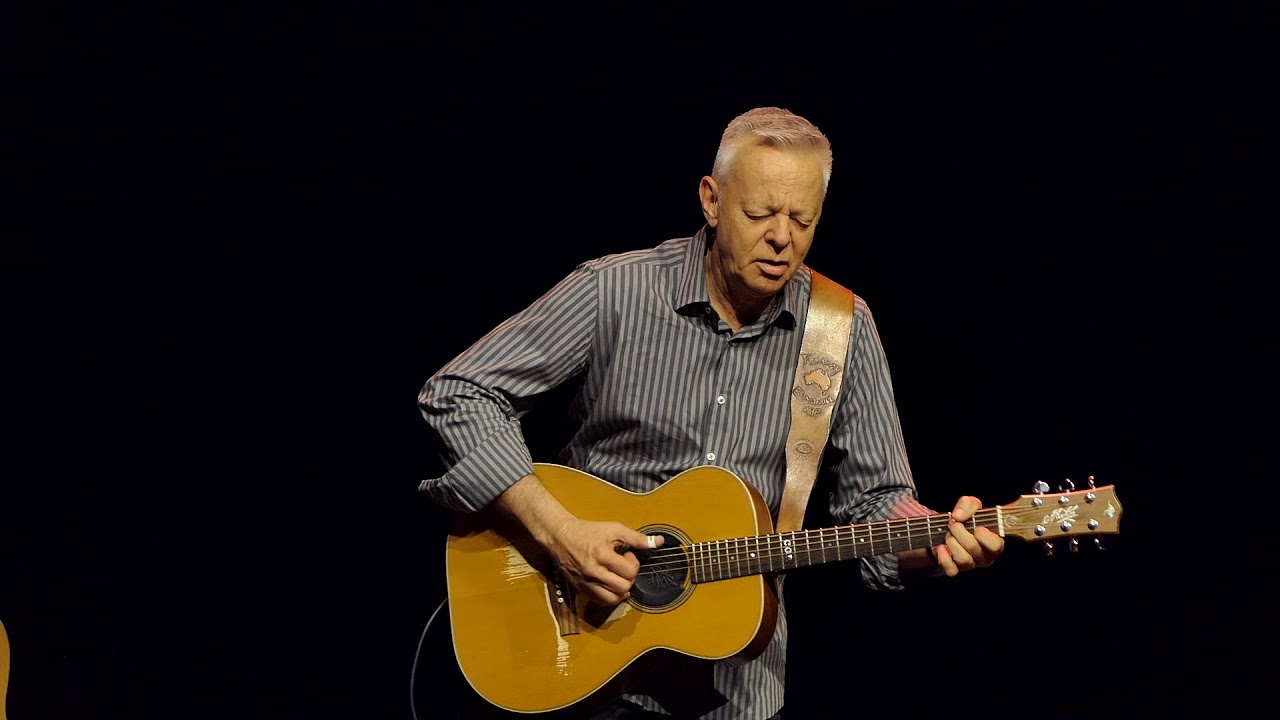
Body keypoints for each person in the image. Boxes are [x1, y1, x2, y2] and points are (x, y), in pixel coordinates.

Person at [417, 106, 1005, 720]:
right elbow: (457, 393)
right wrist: (559, 533)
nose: (781, 237)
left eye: (802, 219)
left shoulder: (841, 328)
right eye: (759, 213)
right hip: (584, 665)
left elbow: (879, 501)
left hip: (735, 693)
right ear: (712, 200)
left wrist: (933, 536)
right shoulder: (615, 291)